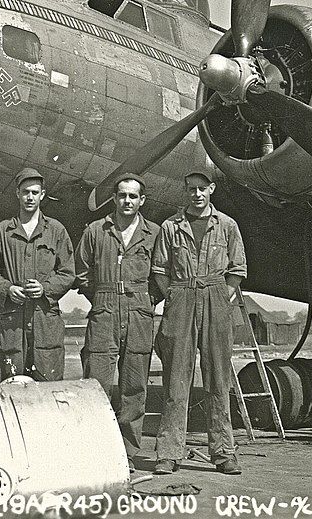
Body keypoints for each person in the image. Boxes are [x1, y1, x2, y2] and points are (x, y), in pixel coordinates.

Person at [151, 168, 247, 475]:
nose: (196, 193)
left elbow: (237, 268)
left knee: (218, 378)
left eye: (202, 188)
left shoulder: (228, 225)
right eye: (191, 188)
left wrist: (222, 297)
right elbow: (160, 270)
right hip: (181, 298)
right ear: (186, 190)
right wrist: (178, 296)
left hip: (216, 298)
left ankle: (224, 452)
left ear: (212, 189)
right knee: (175, 379)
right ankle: (168, 453)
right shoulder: (170, 227)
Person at [75, 173, 161, 473]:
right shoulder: (96, 231)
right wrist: (102, 299)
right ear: (114, 198)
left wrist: (146, 301)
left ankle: (128, 452)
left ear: (142, 200)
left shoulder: (154, 233)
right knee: (96, 383)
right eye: (122, 195)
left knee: (134, 385)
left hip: (139, 313)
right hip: (105, 310)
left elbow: (162, 274)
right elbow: (83, 274)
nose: (127, 201)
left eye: (133, 196)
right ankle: (96, 450)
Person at [0, 168, 75, 381]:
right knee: (10, 380)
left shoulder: (56, 231)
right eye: (25, 192)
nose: (29, 197)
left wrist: (45, 288)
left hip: (45, 316)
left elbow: (67, 272)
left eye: (34, 192)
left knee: (48, 381)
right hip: (12, 319)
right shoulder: (2, 231)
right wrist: (7, 289)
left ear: (42, 195)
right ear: (17, 194)